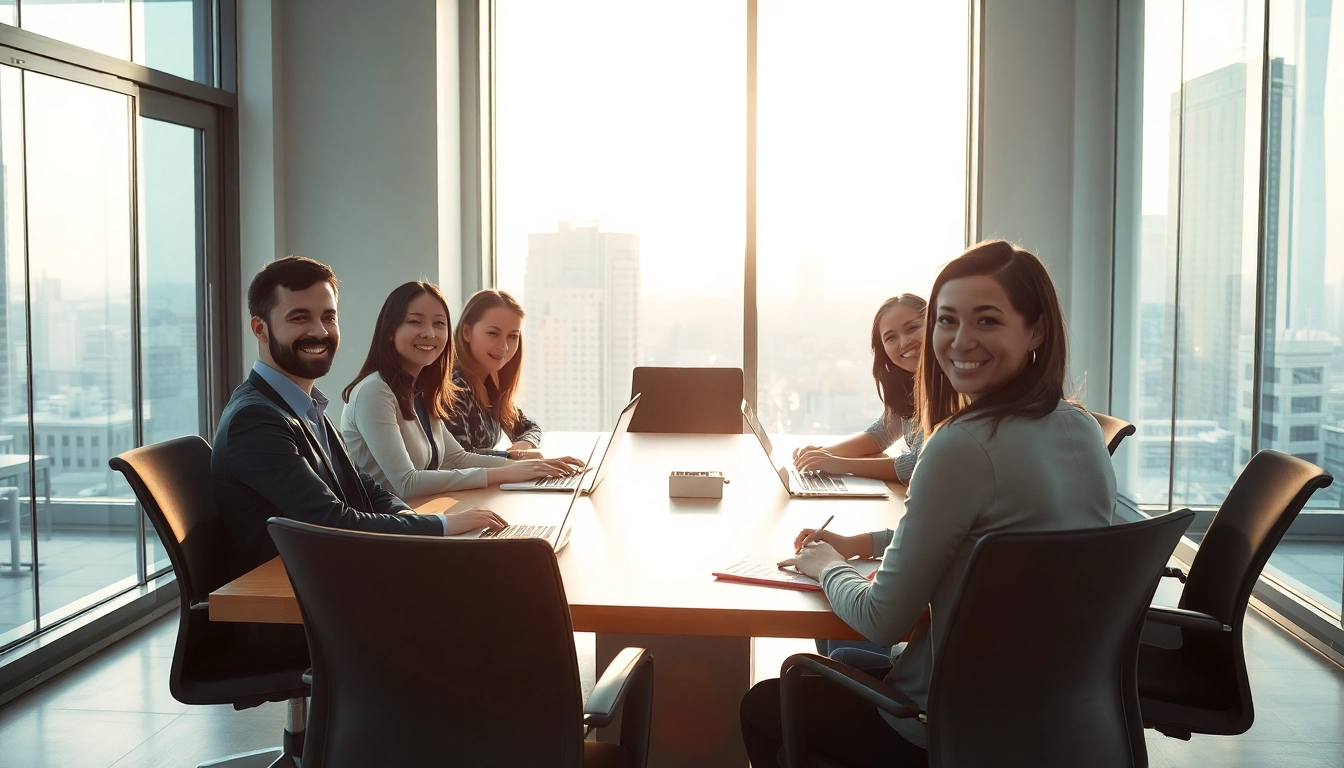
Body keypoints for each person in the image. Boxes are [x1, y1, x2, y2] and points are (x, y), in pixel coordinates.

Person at [740, 241, 1117, 767]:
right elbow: (990, 537)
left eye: (987, 321)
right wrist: (860, 543)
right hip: (1054, 715)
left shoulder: (961, 445)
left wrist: (827, 566)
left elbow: (881, 620)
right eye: (948, 321)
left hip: (943, 726)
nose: (961, 341)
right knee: (843, 660)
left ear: (1036, 331)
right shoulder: (1079, 427)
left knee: (763, 703)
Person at [213, 257, 508, 583]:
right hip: (295, 600)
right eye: (299, 318)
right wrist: (443, 525)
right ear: (260, 329)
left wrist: (410, 520)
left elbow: (365, 488)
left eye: (329, 317)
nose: (319, 331)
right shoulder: (255, 419)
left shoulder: (304, 405)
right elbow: (331, 521)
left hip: (337, 573)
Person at [340, 281, 583, 499]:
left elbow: (454, 458)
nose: (429, 333)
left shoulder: (422, 388)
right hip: (383, 532)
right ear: (390, 331)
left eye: (439, 323)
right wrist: (507, 472)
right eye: (415, 321)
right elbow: (407, 483)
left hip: (416, 515)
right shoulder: (375, 391)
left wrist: (524, 467)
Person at [792, 294, 927, 485]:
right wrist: (825, 453)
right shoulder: (915, 385)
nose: (904, 342)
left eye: (912, 328)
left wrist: (841, 464)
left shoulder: (951, 388)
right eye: (891, 338)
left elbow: (917, 465)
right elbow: (882, 433)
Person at [446, 289, 545, 458]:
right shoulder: (455, 387)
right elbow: (459, 458)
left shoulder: (490, 385)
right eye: (493, 333)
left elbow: (530, 427)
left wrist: (525, 444)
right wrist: (513, 458)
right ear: (466, 332)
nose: (504, 347)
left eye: (512, 336)